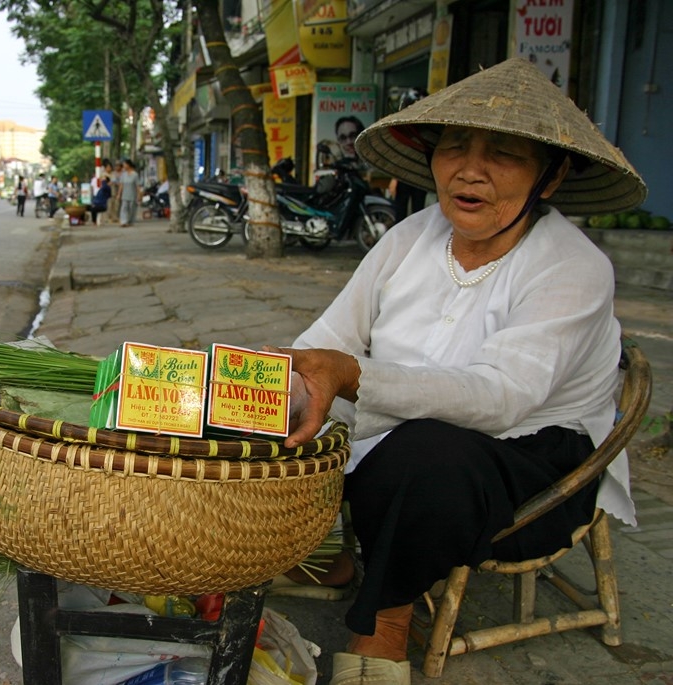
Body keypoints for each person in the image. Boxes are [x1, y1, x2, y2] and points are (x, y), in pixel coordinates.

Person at [267, 58, 646, 685]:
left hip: (530, 462)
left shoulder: (574, 267)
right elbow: (326, 342)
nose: (470, 171)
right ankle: (325, 556)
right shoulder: (410, 236)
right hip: (401, 442)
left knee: (424, 453)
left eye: (504, 154)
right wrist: (275, 383)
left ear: (551, 176)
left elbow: (502, 397)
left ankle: (382, 627)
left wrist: (352, 376)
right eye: (454, 148)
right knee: (263, 405)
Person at [391, 88, 429, 222]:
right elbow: (399, 153)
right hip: (404, 174)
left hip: (421, 174)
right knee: (400, 210)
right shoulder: (403, 127)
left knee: (419, 211)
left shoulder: (428, 127)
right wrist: (394, 178)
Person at [117, 159, 140, 227]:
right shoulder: (123, 175)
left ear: (128, 165)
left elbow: (137, 186)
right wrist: (119, 194)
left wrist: (139, 195)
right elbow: (121, 185)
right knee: (124, 208)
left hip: (132, 195)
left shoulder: (135, 175)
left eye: (125, 164)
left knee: (132, 208)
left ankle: (130, 221)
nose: (123, 166)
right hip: (125, 195)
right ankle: (123, 221)